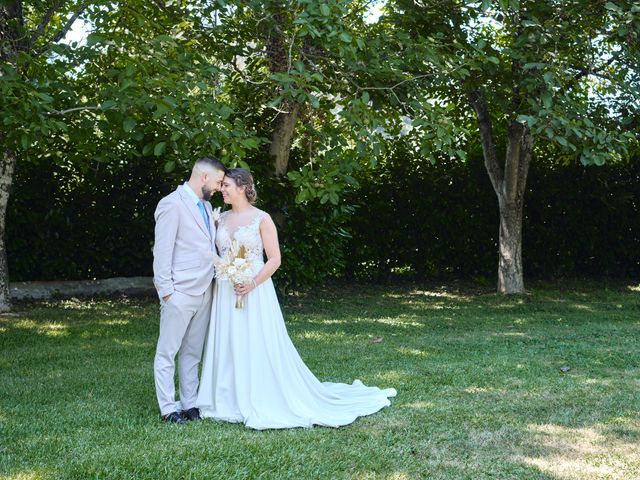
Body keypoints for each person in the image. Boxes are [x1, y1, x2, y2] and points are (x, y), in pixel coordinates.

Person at [196, 168, 396, 429]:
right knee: (228, 338)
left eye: (227, 185)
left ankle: (260, 394)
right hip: (226, 289)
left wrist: (252, 283)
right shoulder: (219, 219)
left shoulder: (262, 219)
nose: (222, 189)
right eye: (221, 185)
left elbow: (275, 259)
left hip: (255, 288)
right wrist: (228, 271)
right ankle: (226, 396)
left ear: (243, 187)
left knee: (257, 339)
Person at [152, 156, 226, 424]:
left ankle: (190, 403)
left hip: (206, 289)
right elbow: (162, 251)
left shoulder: (206, 207)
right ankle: (168, 409)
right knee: (167, 351)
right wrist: (167, 291)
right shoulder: (171, 204)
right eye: (218, 181)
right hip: (180, 291)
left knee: (193, 351)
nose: (219, 187)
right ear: (204, 177)